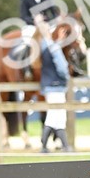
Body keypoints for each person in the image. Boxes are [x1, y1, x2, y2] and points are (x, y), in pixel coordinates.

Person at [38, 20, 72, 153]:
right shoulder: (54, 48)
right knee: (57, 116)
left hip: (48, 85)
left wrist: (59, 41)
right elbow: (62, 67)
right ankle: (54, 146)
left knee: (54, 116)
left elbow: (51, 50)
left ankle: (61, 146)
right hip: (56, 85)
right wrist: (66, 77)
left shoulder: (43, 45)